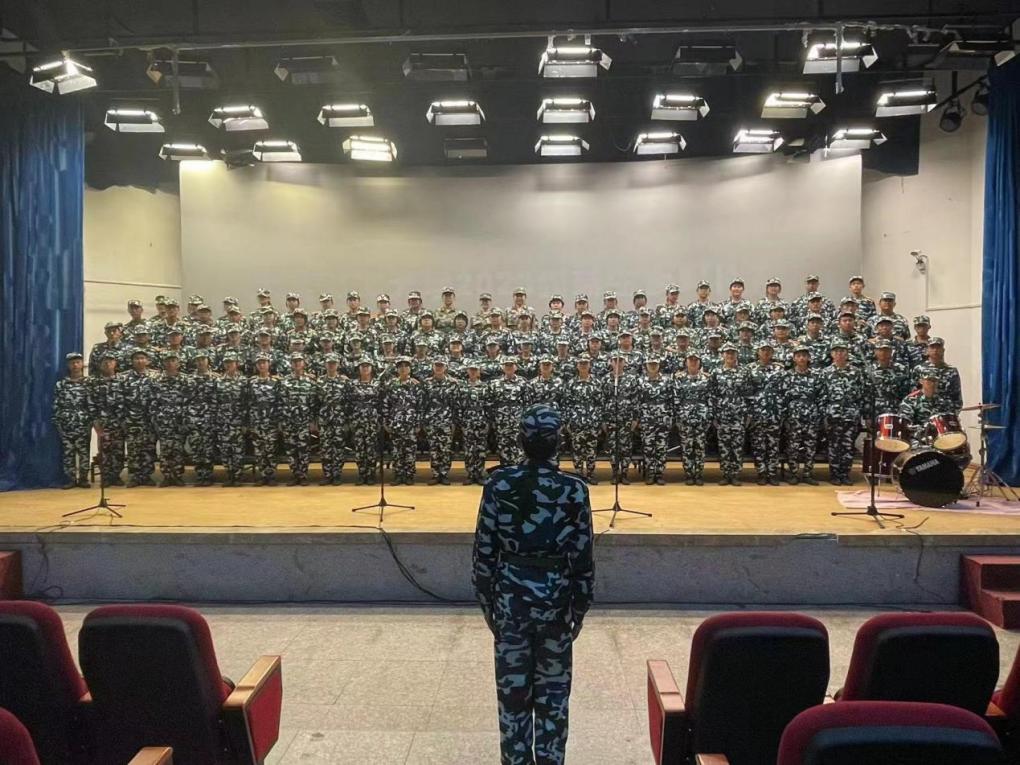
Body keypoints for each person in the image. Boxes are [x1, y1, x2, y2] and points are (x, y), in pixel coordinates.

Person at [472, 404, 594, 765]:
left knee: (512, 698)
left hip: (510, 601)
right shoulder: (573, 489)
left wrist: (488, 604)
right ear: (558, 442)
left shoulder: (499, 484)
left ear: (521, 441)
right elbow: (583, 557)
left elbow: (483, 552)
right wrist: (579, 608)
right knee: (553, 697)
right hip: (555, 603)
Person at [819, 340, 865, 485]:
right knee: (834, 445)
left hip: (851, 413)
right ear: (832, 354)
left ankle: (845, 474)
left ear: (847, 354)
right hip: (833, 413)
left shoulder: (856, 372)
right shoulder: (825, 372)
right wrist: (824, 415)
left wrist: (861, 413)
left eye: (842, 351)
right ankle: (834, 474)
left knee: (848, 445)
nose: (839, 354)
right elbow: (822, 395)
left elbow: (862, 394)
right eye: (836, 351)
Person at [775, 346, 822, 485]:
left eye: (804, 355)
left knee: (810, 446)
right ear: (794, 358)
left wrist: (819, 414)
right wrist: (785, 416)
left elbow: (821, 396)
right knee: (793, 446)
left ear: (809, 358)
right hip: (793, 415)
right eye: (798, 356)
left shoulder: (816, 375)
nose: (801, 358)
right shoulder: (787, 376)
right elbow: (782, 397)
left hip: (811, 414)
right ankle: (793, 473)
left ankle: (807, 474)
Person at [711, 344, 750, 486]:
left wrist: (748, 415)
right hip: (722, 414)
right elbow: (713, 394)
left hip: (739, 414)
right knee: (724, 446)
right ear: (723, 355)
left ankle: (736, 475)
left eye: (733, 353)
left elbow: (748, 394)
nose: (730, 356)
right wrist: (714, 415)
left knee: (737, 446)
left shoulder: (744, 372)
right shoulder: (716, 372)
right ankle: (726, 474)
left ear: (737, 355)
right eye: (727, 353)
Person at [151, 351, 192, 487]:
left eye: (173, 361)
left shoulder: (186, 380)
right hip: (163, 420)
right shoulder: (157, 380)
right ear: (164, 363)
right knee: (165, 449)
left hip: (179, 420)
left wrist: (186, 418)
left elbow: (190, 401)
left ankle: (178, 475)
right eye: (167, 361)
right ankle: (167, 476)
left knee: (178, 449)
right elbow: (153, 401)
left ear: (179, 364)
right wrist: (156, 418)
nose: (170, 363)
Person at [120, 349, 159, 487]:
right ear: (132, 361)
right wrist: (123, 418)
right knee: (133, 449)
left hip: (149, 419)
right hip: (132, 419)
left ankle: (147, 476)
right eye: (136, 358)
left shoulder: (156, 376)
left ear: (148, 361)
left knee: (149, 448)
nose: (139, 360)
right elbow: (120, 399)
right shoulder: (123, 377)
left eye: (142, 358)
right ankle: (135, 476)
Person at [747, 342, 784, 485]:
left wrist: (782, 411)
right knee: (759, 445)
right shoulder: (750, 369)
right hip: (757, 412)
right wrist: (749, 413)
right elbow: (747, 391)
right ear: (758, 352)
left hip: (774, 411)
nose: (766, 352)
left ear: (773, 353)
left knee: (773, 445)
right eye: (763, 350)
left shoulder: (779, 369)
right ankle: (761, 473)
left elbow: (783, 390)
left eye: (769, 350)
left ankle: (772, 473)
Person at [52, 352, 91, 489]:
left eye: (77, 362)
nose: (75, 365)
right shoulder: (61, 384)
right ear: (68, 365)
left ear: (82, 364)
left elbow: (92, 404)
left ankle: (84, 478)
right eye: (72, 363)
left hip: (83, 422)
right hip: (66, 422)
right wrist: (57, 420)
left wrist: (92, 421)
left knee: (84, 452)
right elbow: (57, 404)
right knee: (68, 452)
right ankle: (70, 479)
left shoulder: (89, 383)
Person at [563, 355, 604, 484]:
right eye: (581, 363)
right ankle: (579, 475)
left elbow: (600, 403)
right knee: (577, 451)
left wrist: (599, 421)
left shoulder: (597, 382)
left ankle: (590, 474)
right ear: (577, 366)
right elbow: (567, 404)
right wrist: (567, 422)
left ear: (589, 365)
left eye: (586, 363)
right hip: (576, 422)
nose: (583, 366)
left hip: (592, 421)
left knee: (591, 450)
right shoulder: (571, 383)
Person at [279, 353, 318, 486]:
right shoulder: (284, 382)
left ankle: (303, 475)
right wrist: (281, 421)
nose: (297, 363)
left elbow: (313, 403)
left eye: (299, 361)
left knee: (303, 449)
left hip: (304, 421)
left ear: (304, 363)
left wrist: (313, 421)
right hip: (289, 420)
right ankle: (295, 474)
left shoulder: (310, 382)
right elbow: (281, 402)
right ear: (291, 364)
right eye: (294, 361)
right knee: (291, 449)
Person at [87, 352, 126, 486]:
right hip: (103, 422)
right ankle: (106, 477)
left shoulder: (122, 381)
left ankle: (116, 476)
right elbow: (91, 403)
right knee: (104, 450)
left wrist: (125, 421)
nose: (107, 364)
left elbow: (128, 401)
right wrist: (95, 423)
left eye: (110, 361)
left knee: (118, 450)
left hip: (119, 421)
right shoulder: (93, 382)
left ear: (115, 364)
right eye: (104, 361)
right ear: (99, 364)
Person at [674, 352, 712, 486]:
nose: (693, 362)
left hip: (702, 417)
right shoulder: (679, 379)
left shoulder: (706, 379)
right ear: (686, 362)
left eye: (696, 360)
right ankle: (689, 474)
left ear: (700, 362)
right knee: (687, 447)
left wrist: (709, 417)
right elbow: (676, 399)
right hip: (685, 418)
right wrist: (678, 418)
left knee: (700, 447)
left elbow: (710, 399)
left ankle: (699, 474)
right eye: (691, 360)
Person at [603, 352, 641, 485]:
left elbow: (635, 400)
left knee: (626, 447)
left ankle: (624, 473)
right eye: (615, 360)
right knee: (613, 447)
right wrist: (603, 420)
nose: (618, 363)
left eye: (620, 361)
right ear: (611, 363)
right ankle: (615, 473)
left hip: (626, 418)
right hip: (611, 418)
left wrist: (635, 419)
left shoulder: (631, 379)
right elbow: (602, 400)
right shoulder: (605, 379)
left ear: (625, 363)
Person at [383, 357, 422, 485]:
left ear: (410, 369)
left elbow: (420, 406)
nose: (403, 368)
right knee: (396, 451)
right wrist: (386, 422)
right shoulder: (391, 385)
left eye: (406, 366)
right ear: (397, 369)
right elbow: (386, 404)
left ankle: (409, 475)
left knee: (410, 451)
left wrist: (418, 423)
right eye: (400, 366)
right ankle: (398, 475)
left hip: (410, 423)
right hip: (395, 422)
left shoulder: (416, 385)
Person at [422, 358, 458, 485]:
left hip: (446, 420)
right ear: (432, 367)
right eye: (436, 365)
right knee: (433, 449)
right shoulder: (426, 383)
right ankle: (435, 474)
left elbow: (455, 404)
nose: (438, 368)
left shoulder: (452, 383)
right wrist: (423, 421)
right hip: (431, 421)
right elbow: (423, 403)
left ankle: (444, 474)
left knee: (445, 449)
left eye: (441, 365)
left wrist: (454, 422)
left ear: (446, 367)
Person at [637, 357, 673, 485]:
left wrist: (670, 417)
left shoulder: (667, 381)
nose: (653, 366)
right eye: (650, 364)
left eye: (655, 364)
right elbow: (637, 401)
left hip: (663, 419)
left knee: (661, 448)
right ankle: (650, 473)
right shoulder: (640, 381)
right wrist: (638, 418)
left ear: (659, 366)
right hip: (647, 419)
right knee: (648, 448)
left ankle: (659, 474)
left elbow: (671, 400)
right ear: (646, 365)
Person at [247, 353, 281, 486]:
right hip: (257, 421)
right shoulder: (251, 382)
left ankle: (271, 475)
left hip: (271, 421)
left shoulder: (276, 382)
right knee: (259, 450)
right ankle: (262, 475)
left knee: (271, 449)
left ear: (269, 364)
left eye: (264, 362)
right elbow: (248, 402)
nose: (262, 365)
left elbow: (279, 402)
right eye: (259, 363)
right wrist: (249, 422)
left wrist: (279, 421)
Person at [215, 353, 248, 486]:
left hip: (237, 421)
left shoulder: (244, 381)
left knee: (238, 450)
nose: (229, 365)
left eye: (231, 362)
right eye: (226, 362)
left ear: (237, 364)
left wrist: (245, 422)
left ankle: (238, 476)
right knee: (225, 450)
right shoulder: (218, 381)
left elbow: (247, 402)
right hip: (223, 421)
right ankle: (229, 475)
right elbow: (215, 401)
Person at [488, 358, 529, 466]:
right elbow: (490, 402)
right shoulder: (495, 383)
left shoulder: (523, 382)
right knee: (503, 446)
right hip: (501, 420)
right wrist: (493, 419)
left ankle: (518, 470)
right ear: (502, 367)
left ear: (516, 367)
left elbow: (527, 402)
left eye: (511, 365)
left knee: (518, 445)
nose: (509, 367)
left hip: (517, 419)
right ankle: (505, 470)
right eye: (506, 365)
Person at [187, 351, 220, 486]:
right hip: (193, 418)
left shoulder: (216, 379)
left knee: (208, 448)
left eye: (203, 359)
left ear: (208, 361)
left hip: (209, 418)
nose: (200, 362)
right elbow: (185, 399)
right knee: (196, 448)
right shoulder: (189, 379)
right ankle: (200, 475)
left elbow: (219, 399)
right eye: (198, 360)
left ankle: (208, 476)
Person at [457, 361, 490, 485]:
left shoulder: (485, 387)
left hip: (481, 420)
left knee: (481, 448)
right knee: (469, 449)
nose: (473, 372)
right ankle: (470, 474)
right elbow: (459, 405)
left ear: (479, 372)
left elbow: (488, 405)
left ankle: (480, 473)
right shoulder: (461, 387)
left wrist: (488, 421)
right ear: (467, 371)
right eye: (471, 370)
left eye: (475, 370)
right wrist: (461, 422)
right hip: (467, 421)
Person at [350, 359, 382, 485]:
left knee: (371, 448)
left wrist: (380, 420)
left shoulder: (378, 384)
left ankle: (371, 474)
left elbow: (381, 403)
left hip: (372, 420)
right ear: (358, 368)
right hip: (357, 419)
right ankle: (361, 474)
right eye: (362, 366)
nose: (365, 368)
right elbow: (348, 402)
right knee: (359, 448)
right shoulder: (352, 384)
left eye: (367, 366)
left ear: (372, 368)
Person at [911, 337, 963, 411]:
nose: (935, 350)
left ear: (943, 350)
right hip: (923, 412)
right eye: (932, 347)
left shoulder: (952, 371)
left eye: (938, 347)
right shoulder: (919, 369)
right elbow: (913, 394)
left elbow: (957, 399)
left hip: (945, 412)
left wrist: (952, 414)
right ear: (927, 350)